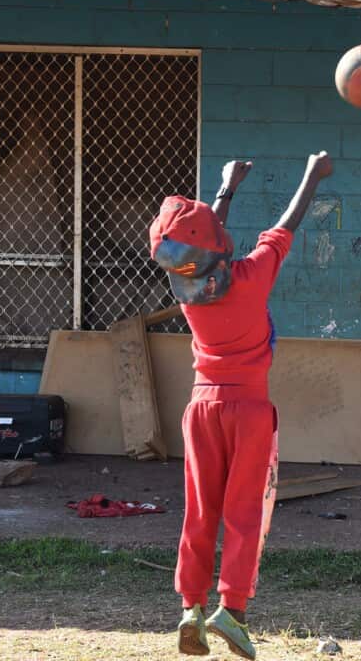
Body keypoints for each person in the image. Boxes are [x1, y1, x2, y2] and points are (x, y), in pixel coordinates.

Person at [148, 151, 334, 659]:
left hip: (201, 409)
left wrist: (225, 190)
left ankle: (190, 607)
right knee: (245, 513)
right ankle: (232, 611)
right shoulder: (251, 278)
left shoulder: (187, 292)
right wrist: (311, 175)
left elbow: (203, 241)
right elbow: (284, 227)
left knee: (200, 510)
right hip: (249, 411)